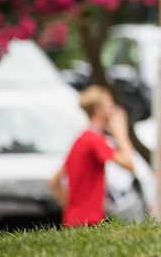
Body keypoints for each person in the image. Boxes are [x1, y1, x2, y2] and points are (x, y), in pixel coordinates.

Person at [49, 85, 136, 227]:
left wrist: (72, 207)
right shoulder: (95, 140)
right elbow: (130, 164)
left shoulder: (81, 139)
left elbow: (54, 181)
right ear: (98, 110)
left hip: (72, 219)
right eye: (110, 104)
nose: (114, 109)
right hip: (90, 220)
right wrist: (121, 133)